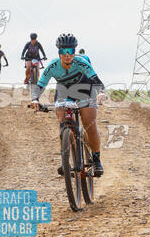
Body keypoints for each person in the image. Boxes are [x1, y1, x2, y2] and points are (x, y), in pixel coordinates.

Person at [30, 33, 105, 176]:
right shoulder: (53, 66)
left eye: (70, 51)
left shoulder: (81, 62)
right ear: (59, 52)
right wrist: (35, 99)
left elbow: (96, 80)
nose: (67, 55)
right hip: (64, 92)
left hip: (85, 90)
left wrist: (101, 92)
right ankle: (65, 159)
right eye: (63, 52)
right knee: (63, 123)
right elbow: (40, 85)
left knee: (90, 124)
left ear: (74, 52)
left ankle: (96, 159)